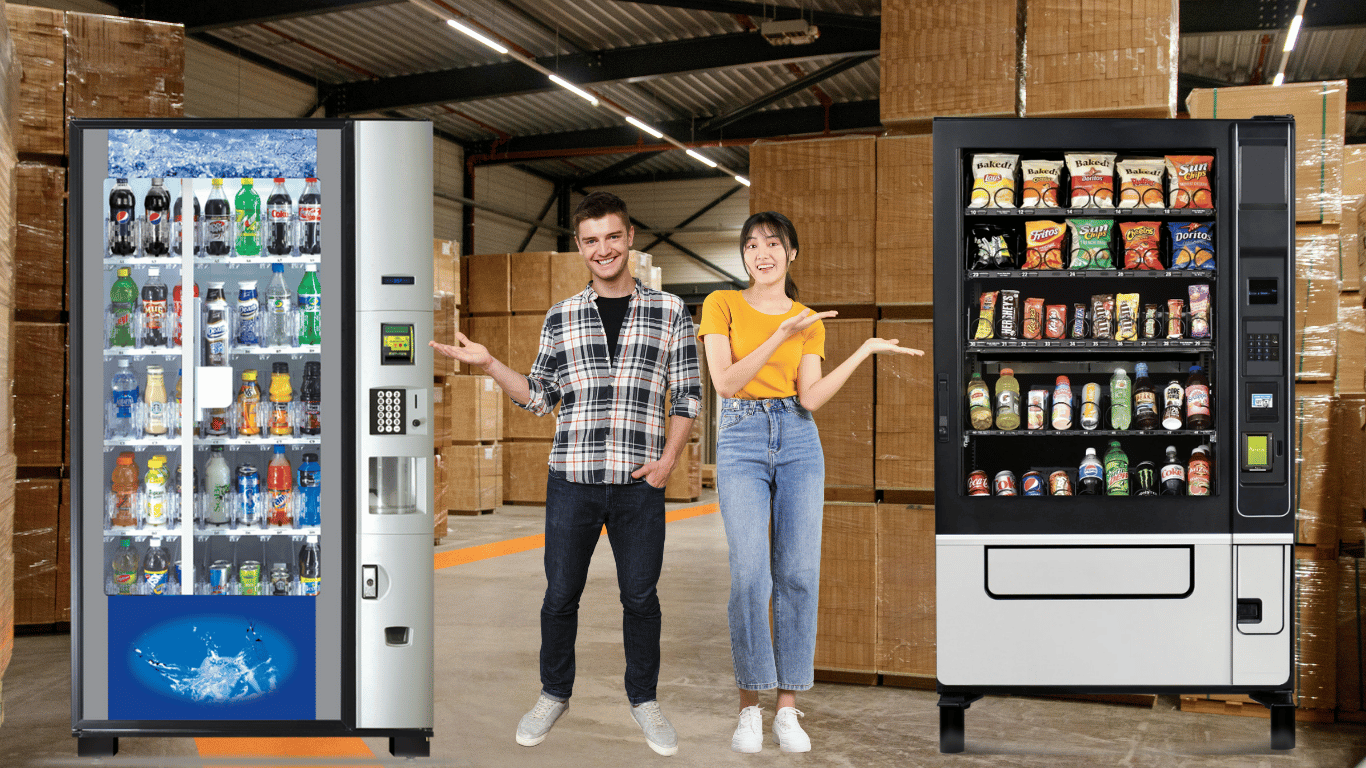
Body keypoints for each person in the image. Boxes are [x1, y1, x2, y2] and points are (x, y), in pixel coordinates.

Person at [431, 191, 700, 757]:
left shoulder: (671, 311)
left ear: (630, 238)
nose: (603, 249)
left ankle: (644, 699)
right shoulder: (562, 316)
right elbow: (539, 396)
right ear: (579, 246)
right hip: (573, 480)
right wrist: (489, 364)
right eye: (591, 240)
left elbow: (688, 396)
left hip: (640, 483)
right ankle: (554, 693)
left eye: (612, 236)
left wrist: (669, 462)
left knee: (641, 598)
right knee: (559, 596)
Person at [698, 211, 923, 754]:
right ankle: (749, 707)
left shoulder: (809, 320)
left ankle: (787, 708)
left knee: (798, 575)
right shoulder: (721, 304)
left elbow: (811, 397)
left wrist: (863, 352)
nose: (762, 253)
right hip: (741, 437)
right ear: (744, 256)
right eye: (752, 245)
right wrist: (779, 335)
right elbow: (725, 382)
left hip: (798, 439)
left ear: (791, 253)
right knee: (750, 576)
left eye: (773, 243)